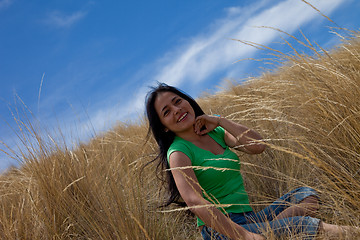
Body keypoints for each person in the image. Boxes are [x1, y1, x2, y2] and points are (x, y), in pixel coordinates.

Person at [145, 83, 354, 240]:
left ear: (187, 101)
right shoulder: (178, 152)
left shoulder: (215, 132)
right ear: (164, 126)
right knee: (301, 224)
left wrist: (220, 121)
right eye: (167, 112)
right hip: (222, 230)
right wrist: (243, 236)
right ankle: (351, 232)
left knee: (306, 195)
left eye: (177, 101)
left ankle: (271, 231)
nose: (177, 110)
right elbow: (195, 203)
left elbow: (258, 146)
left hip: (250, 216)